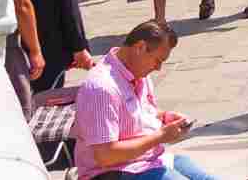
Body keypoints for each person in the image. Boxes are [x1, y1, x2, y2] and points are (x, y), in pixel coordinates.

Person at [73, 20, 220, 180]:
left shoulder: (139, 72)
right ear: (140, 47)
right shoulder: (101, 88)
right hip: (112, 172)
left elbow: (143, 112)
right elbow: (105, 155)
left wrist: (165, 116)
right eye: (158, 60)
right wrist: (161, 136)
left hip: (149, 161)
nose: (158, 68)